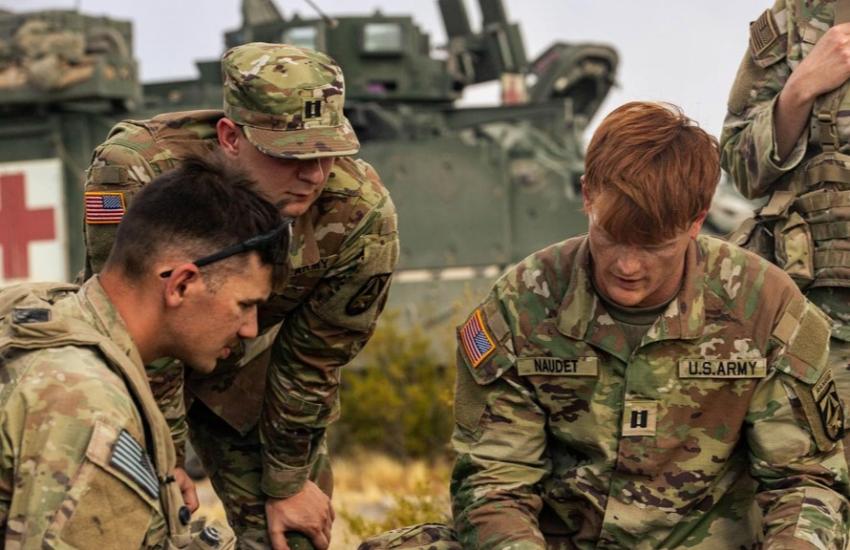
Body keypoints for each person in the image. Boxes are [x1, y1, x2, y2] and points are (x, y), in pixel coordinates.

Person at [358, 102, 850, 549]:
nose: (628, 267)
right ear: (588, 195)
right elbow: (495, 480)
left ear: (697, 220)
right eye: (612, 238)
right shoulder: (522, 305)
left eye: (654, 247)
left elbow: (803, 483)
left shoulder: (763, 305)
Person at [82, 42, 399, 549]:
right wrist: (163, 458)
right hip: (127, 369)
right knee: (128, 524)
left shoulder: (359, 215)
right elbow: (134, 320)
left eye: (327, 153)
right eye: (291, 155)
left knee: (293, 536)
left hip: (240, 365)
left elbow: (313, 361)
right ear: (231, 137)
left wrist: (288, 480)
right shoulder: (138, 171)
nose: (314, 175)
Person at [0, 154, 285, 548]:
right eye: (244, 304)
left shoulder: (40, 312)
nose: (250, 328)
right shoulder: (87, 403)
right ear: (181, 284)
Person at [720, 0, 850, 465]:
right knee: (818, 477)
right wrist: (799, 89)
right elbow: (740, 164)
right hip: (828, 323)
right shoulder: (795, 21)